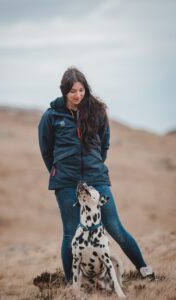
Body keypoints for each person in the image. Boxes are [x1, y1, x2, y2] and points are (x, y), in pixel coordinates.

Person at [38, 67, 155, 283]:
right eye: (73, 91)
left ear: (86, 89)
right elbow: (46, 150)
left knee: (115, 228)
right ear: (64, 91)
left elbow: (104, 143)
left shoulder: (97, 111)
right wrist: (58, 172)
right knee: (70, 234)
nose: (78, 95)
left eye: (81, 90)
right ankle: (71, 285)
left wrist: (95, 165)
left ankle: (146, 271)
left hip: (96, 178)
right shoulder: (51, 116)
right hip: (66, 182)